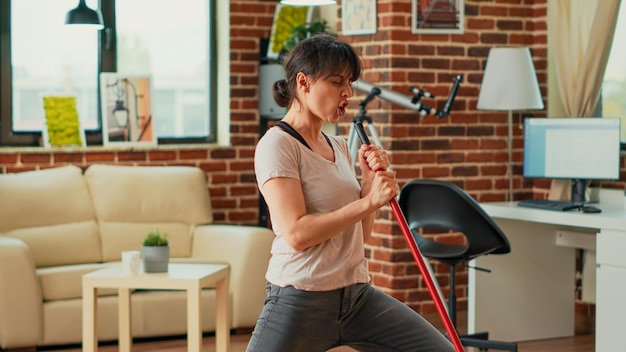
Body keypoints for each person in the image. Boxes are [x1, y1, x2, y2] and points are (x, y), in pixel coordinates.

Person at [248, 34, 454, 352]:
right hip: (300, 297)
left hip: (356, 298)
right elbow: (297, 233)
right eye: (336, 82)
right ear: (303, 82)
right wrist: (369, 200)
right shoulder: (277, 145)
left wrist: (368, 185)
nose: (347, 93)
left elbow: (361, 235)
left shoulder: (340, 146)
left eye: (350, 83)